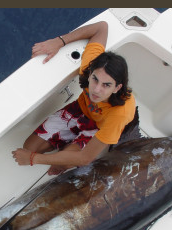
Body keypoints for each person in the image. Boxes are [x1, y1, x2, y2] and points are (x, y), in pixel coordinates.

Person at [12, 21, 136, 175]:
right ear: (90, 73)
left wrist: (33, 159)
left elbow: (85, 158)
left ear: (117, 88)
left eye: (106, 85)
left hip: (99, 127)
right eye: (95, 79)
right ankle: (66, 148)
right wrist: (59, 41)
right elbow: (102, 27)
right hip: (79, 109)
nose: (96, 90)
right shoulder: (90, 68)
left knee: (64, 163)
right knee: (29, 147)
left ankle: (67, 151)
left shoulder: (120, 113)